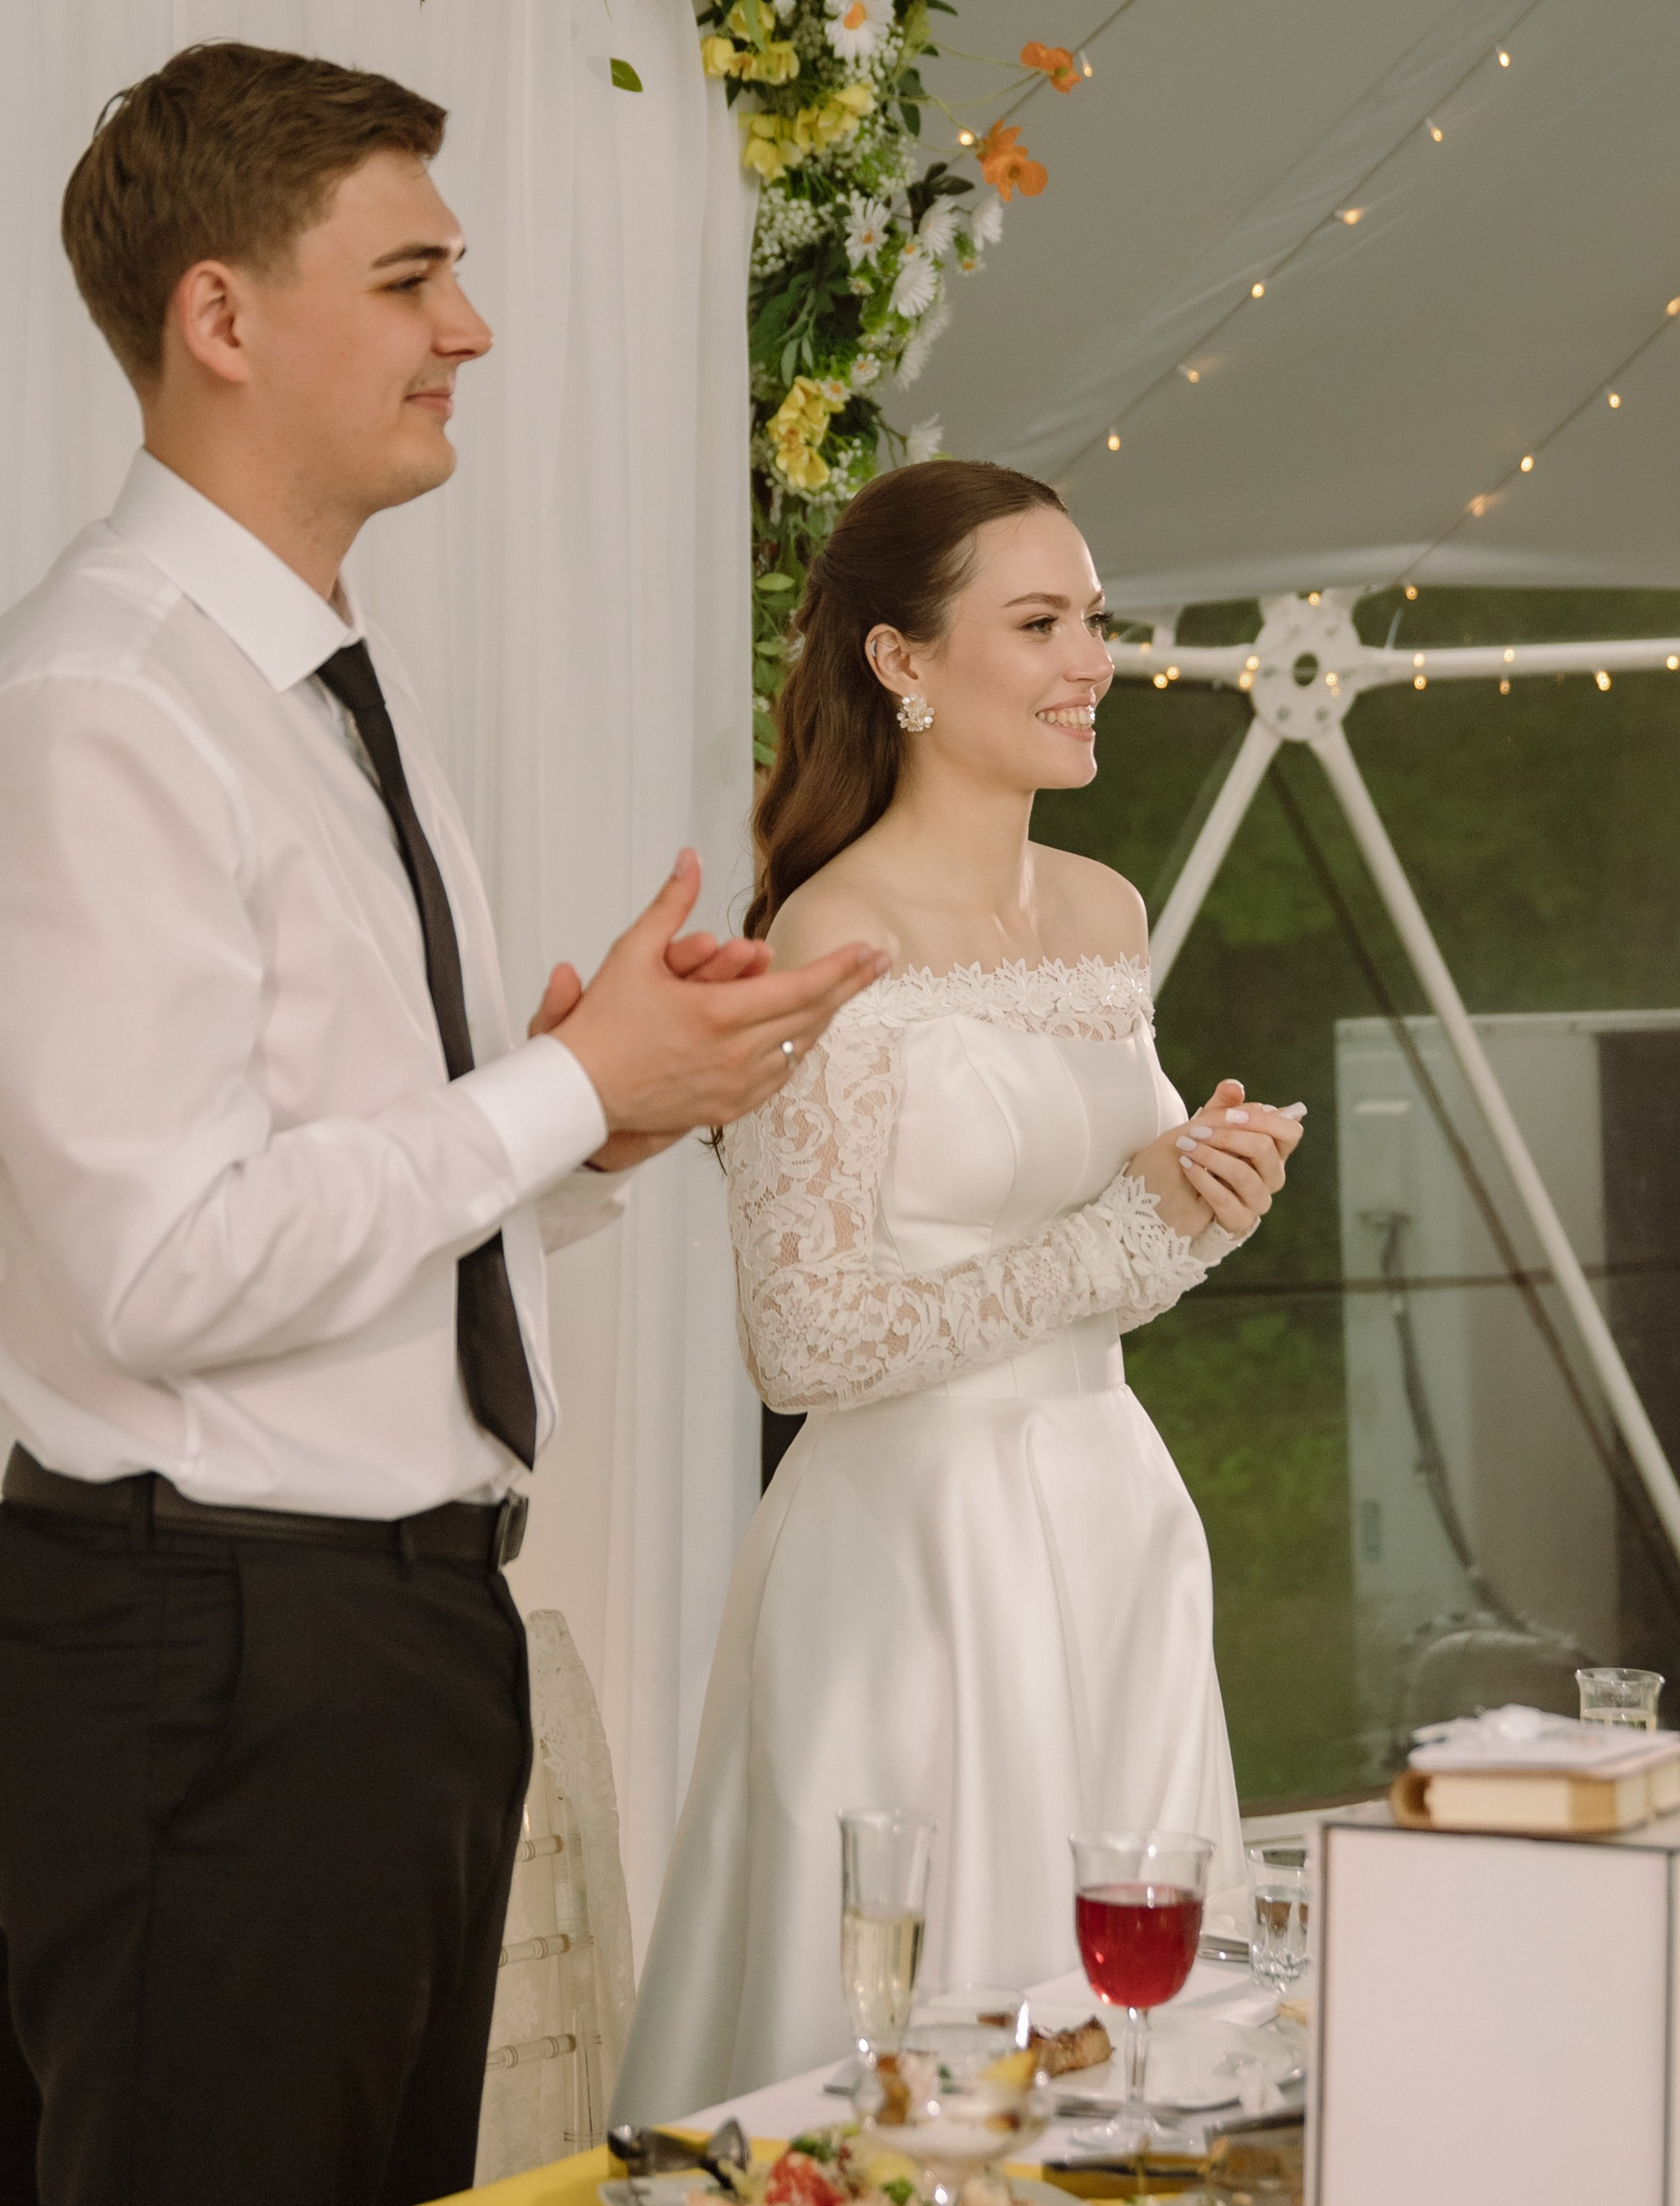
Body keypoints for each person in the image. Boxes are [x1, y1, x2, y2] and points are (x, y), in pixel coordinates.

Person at [0, 41, 885, 2206]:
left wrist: (596, 1124)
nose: (468, 328)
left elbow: (331, 1180)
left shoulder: (309, 686)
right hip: (223, 1660)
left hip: (364, 1657)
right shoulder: (97, 708)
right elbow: (165, 1266)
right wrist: (562, 1086)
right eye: (410, 277)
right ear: (219, 315)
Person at [615, 459, 1305, 2117]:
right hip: (912, 1562)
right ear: (902, 661)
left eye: (1097, 622)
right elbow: (801, 1343)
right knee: (910, 2058)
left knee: (1136, 2048)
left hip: (1112, 1522)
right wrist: (1121, 1235)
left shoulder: (1104, 911)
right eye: (1041, 622)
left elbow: (1111, 1267)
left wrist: (1201, 1202)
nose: (1092, 663)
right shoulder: (827, 938)